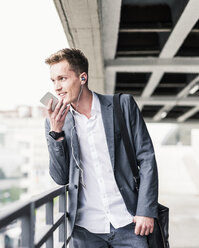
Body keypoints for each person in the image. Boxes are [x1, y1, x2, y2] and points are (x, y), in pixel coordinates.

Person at [44, 48, 158, 248]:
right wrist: (56, 134)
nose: (57, 87)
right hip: (85, 229)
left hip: (129, 221)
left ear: (83, 77)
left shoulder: (122, 105)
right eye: (53, 81)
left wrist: (146, 210)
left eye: (62, 78)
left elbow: (146, 158)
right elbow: (60, 177)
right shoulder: (55, 122)